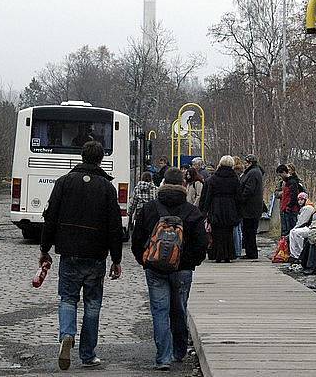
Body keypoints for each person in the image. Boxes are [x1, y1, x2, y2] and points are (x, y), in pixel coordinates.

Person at [39, 141, 122, 370]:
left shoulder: (64, 182)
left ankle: (67, 334)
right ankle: (87, 354)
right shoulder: (107, 188)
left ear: (81, 157)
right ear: (100, 159)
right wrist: (116, 259)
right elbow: (114, 226)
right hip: (96, 255)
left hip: (69, 252)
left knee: (68, 298)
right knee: (92, 304)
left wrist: (44, 249)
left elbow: (51, 217)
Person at [131, 167, 207, 371]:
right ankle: (179, 351)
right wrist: (191, 262)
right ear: (183, 185)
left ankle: (163, 358)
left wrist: (144, 260)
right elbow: (202, 244)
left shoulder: (150, 208)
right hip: (183, 270)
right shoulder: (192, 211)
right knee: (179, 309)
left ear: (163, 183)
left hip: (155, 268)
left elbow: (137, 239)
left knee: (159, 311)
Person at [199, 155, 240, 263]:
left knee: (216, 232)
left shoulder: (213, 179)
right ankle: (228, 254)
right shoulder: (235, 178)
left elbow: (208, 196)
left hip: (216, 206)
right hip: (230, 206)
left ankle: (217, 254)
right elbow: (238, 196)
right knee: (228, 232)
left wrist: (204, 211)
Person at [238, 154, 264, 259]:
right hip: (254, 207)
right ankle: (251, 252)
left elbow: (249, 189)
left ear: (250, 163)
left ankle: (251, 253)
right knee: (250, 231)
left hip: (250, 208)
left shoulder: (252, 173)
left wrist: (241, 199)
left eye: (246, 162)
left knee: (249, 232)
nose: (245, 164)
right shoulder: (256, 172)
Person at [288, 192, 316, 262]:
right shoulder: (303, 208)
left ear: (305, 200)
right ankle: (294, 255)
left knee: (296, 233)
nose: (300, 201)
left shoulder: (308, 208)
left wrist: (294, 228)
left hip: (310, 227)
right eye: (298, 200)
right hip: (306, 227)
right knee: (292, 232)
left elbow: (302, 222)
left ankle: (300, 254)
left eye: (302, 199)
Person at [276, 164, 302, 237]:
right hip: (285, 209)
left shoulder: (292, 182)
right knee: (285, 231)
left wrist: (288, 206)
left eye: (280, 175)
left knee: (290, 231)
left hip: (291, 210)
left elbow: (294, 196)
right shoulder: (286, 182)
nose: (280, 177)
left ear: (284, 172)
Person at [232, 156, 246, 258]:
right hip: (241, 205)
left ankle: (236, 250)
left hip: (235, 205)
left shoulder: (234, 175)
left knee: (236, 229)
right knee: (239, 229)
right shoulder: (242, 174)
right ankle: (239, 249)